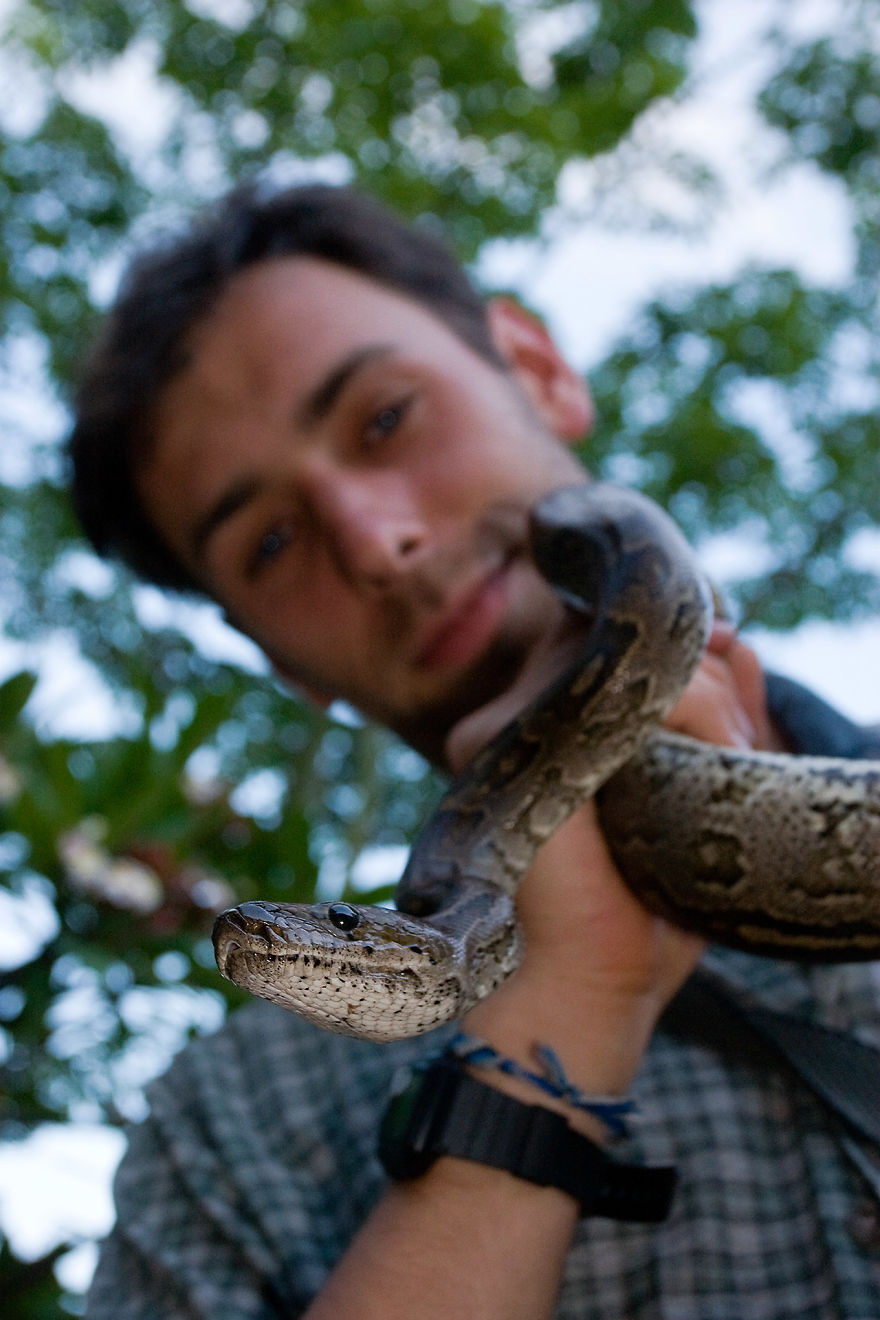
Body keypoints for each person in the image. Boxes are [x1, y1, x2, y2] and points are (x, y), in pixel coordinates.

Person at [69, 182, 880, 1319]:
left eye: (386, 417)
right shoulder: (232, 1135)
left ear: (536, 368)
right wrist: (565, 1003)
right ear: (280, 665)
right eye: (272, 540)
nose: (377, 542)